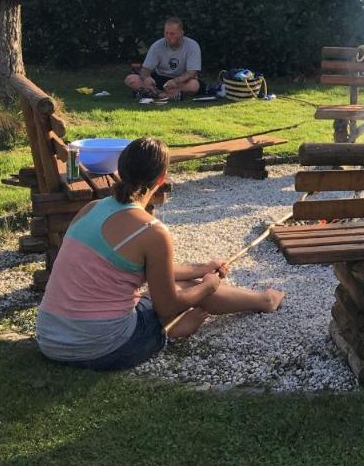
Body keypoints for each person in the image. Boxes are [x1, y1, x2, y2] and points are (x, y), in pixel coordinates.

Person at [35, 137, 283, 371]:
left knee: (182, 283)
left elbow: (144, 269)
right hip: (104, 347)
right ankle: (256, 304)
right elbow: (168, 305)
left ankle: (259, 300)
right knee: (185, 291)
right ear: (162, 178)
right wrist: (208, 284)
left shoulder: (90, 209)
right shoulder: (152, 231)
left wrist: (201, 268)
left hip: (50, 339)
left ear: (120, 171)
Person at [125, 17, 202, 103]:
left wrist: (175, 81)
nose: (168, 37)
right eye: (166, 33)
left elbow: (192, 73)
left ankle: (151, 93)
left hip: (181, 80)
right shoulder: (157, 45)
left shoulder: (192, 45)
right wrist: (146, 78)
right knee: (131, 79)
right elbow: (145, 69)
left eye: (172, 34)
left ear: (181, 33)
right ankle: (167, 95)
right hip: (160, 78)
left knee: (194, 85)